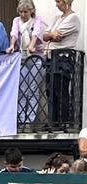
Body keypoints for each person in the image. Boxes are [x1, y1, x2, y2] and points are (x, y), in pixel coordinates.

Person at [7, 1, 45, 126]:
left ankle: (30, 119)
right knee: (22, 88)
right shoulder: (16, 20)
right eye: (21, 12)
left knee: (33, 88)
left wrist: (32, 46)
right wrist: (12, 45)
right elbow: (14, 33)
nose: (23, 14)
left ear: (31, 11)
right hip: (22, 57)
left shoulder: (37, 20)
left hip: (35, 57)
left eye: (26, 12)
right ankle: (21, 118)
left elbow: (36, 33)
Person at [43, 0, 80, 129]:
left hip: (62, 59)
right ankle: (53, 122)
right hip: (50, 59)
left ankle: (63, 122)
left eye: (58, 1)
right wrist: (50, 35)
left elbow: (59, 35)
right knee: (50, 91)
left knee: (61, 90)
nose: (56, 4)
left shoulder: (73, 18)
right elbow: (45, 36)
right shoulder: (57, 18)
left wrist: (51, 35)